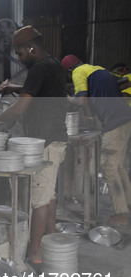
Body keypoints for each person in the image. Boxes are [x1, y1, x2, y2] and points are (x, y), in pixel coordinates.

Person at [0, 26, 69, 264]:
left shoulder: (38, 68)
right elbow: (40, 91)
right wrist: (16, 88)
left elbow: (20, 109)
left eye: (21, 54)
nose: (20, 59)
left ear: (31, 48)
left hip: (46, 141)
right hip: (57, 138)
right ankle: (50, 238)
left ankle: (34, 254)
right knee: (49, 193)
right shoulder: (52, 64)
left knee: (38, 199)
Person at [62, 54, 131, 226]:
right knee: (118, 165)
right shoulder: (97, 69)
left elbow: (82, 101)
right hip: (126, 118)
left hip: (115, 122)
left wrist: (67, 98)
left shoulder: (78, 72)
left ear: (69, 71)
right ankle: (127, 203)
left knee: (107, 165)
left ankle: (121, 213)